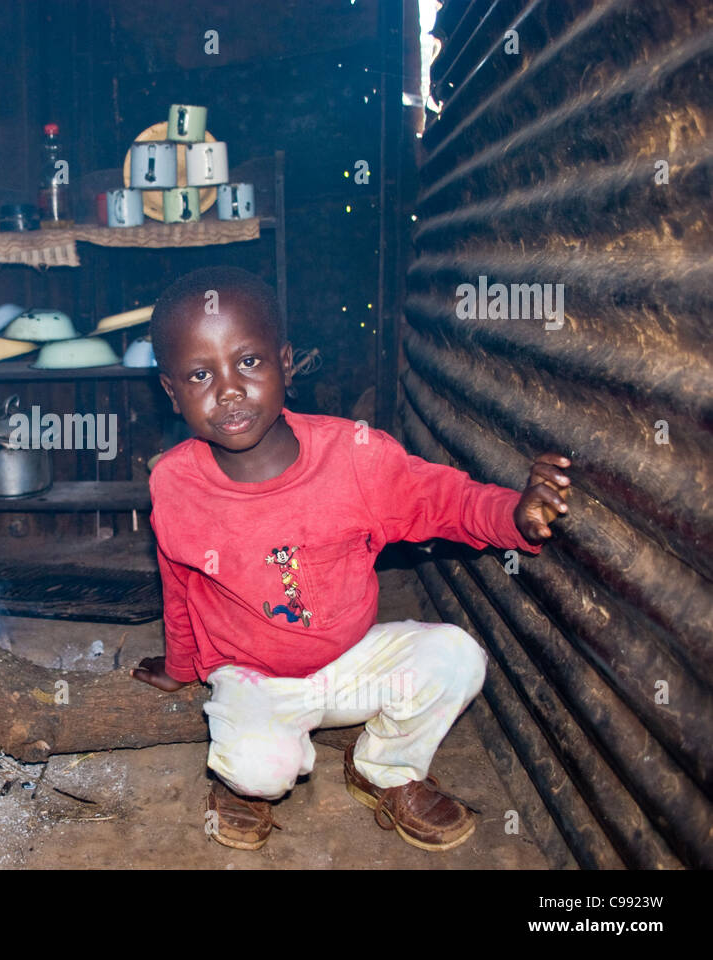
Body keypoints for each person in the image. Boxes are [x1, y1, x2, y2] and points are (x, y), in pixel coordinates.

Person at [131, 266, 571, 852]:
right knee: (260, 769)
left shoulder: (356, 457)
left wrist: (513, 515)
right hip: (253, 677)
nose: (229, 390)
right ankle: (245, 786)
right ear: (171, 391)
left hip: (352, 664)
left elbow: (443, 500)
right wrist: (182, 667)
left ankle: (384, 768)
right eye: (201, 374)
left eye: (250, 362)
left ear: (286, 363)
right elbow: (178, 582)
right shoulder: (176, 484)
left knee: (457, 656)